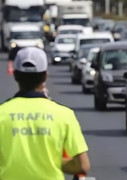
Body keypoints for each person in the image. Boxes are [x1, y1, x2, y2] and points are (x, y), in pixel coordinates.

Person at [0, 47, 90, 179]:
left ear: (15, 75)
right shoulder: (64, 114)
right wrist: (50, 160)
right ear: (45, 76)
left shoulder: (2, 113)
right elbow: (82, 165)